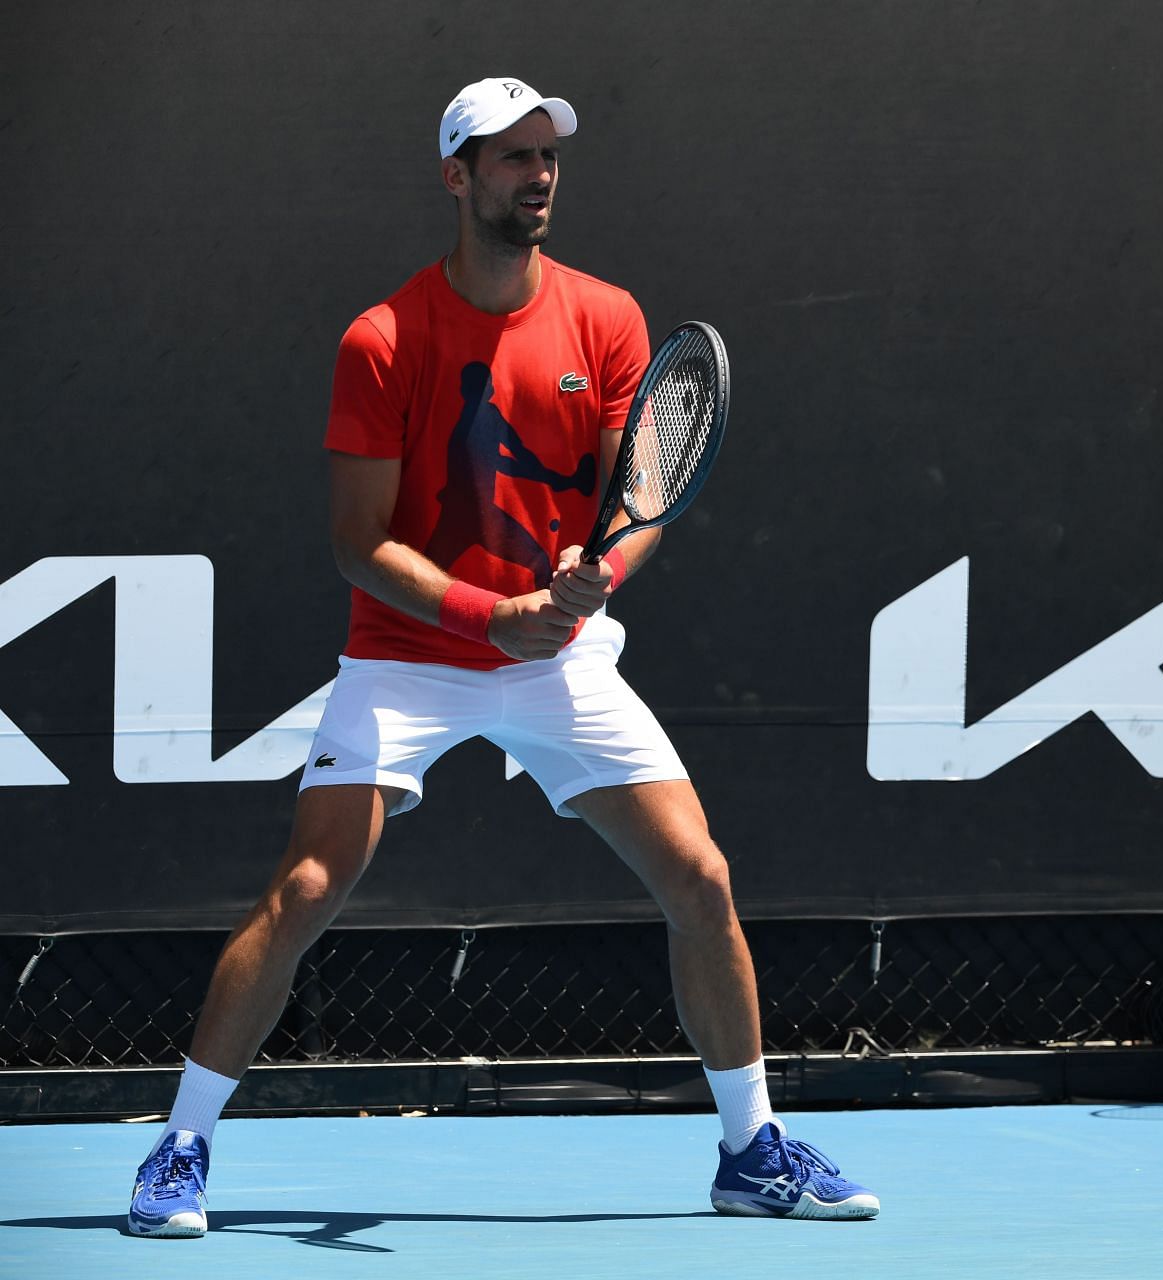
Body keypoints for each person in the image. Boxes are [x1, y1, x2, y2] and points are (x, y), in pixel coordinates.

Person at [127, 77, 879, 1236]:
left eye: (548, 156)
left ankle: (750, 1148)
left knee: (703, 877)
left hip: (557, 655)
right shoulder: (382, 340)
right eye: (512, 157)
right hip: (411, 655)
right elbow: (357, 543)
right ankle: (180, 1146)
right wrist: (490, 616)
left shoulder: (609, 317)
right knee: (308, 887)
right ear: (457, 177)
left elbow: (641, 495)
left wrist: (594, 584)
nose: (538, 175)